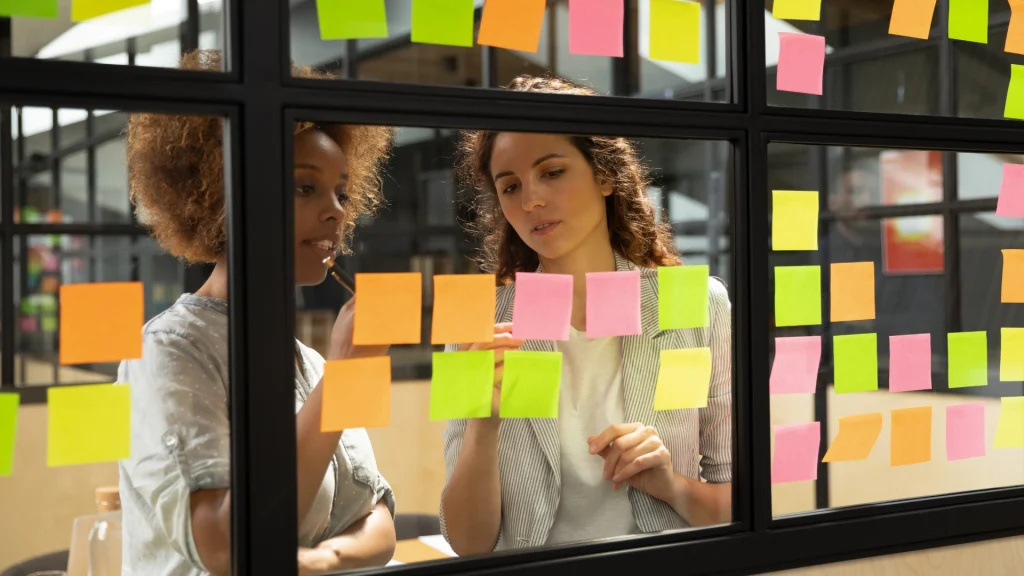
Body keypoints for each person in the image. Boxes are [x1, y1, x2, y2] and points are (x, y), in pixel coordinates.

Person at [118, 49, 397, 576]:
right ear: (227, 195)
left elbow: (380, 524)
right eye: (304, 185)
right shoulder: (169, 350)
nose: (336, 210)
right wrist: (341, 383)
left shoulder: (313, 364)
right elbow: (227, 546)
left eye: (342, 192)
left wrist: (317, 560)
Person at [440, 76, 733, 555]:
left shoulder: (698, 305)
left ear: (604, 175)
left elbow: (738, 508)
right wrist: (483, 427)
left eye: (552, 172)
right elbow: (468, 544)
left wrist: (672, 485)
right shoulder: (476, 321)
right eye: (510, 186)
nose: (530, 199)